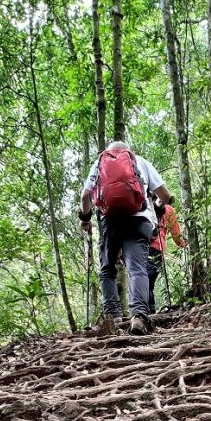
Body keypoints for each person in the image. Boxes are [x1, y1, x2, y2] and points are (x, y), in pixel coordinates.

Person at [79, 141, 172, 335]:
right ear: (129, 151)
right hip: (139, 221)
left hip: (110, 221)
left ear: (110, 152)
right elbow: (165, 194)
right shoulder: (141, 162)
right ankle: (138, 315)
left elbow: (85, 196)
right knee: (137, 268)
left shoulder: (99, 164)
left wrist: (86, 219)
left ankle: (114, 317)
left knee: (107, 269)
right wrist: (159, 205)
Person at [148, 198, 187, 313]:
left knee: (143, 280)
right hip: (157, 248)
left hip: (140, 246)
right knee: (149, 281)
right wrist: (184, 244)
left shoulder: (144, 206)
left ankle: (146, 311)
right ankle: (149, 311)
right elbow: (176, 235)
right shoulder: (169, 209)